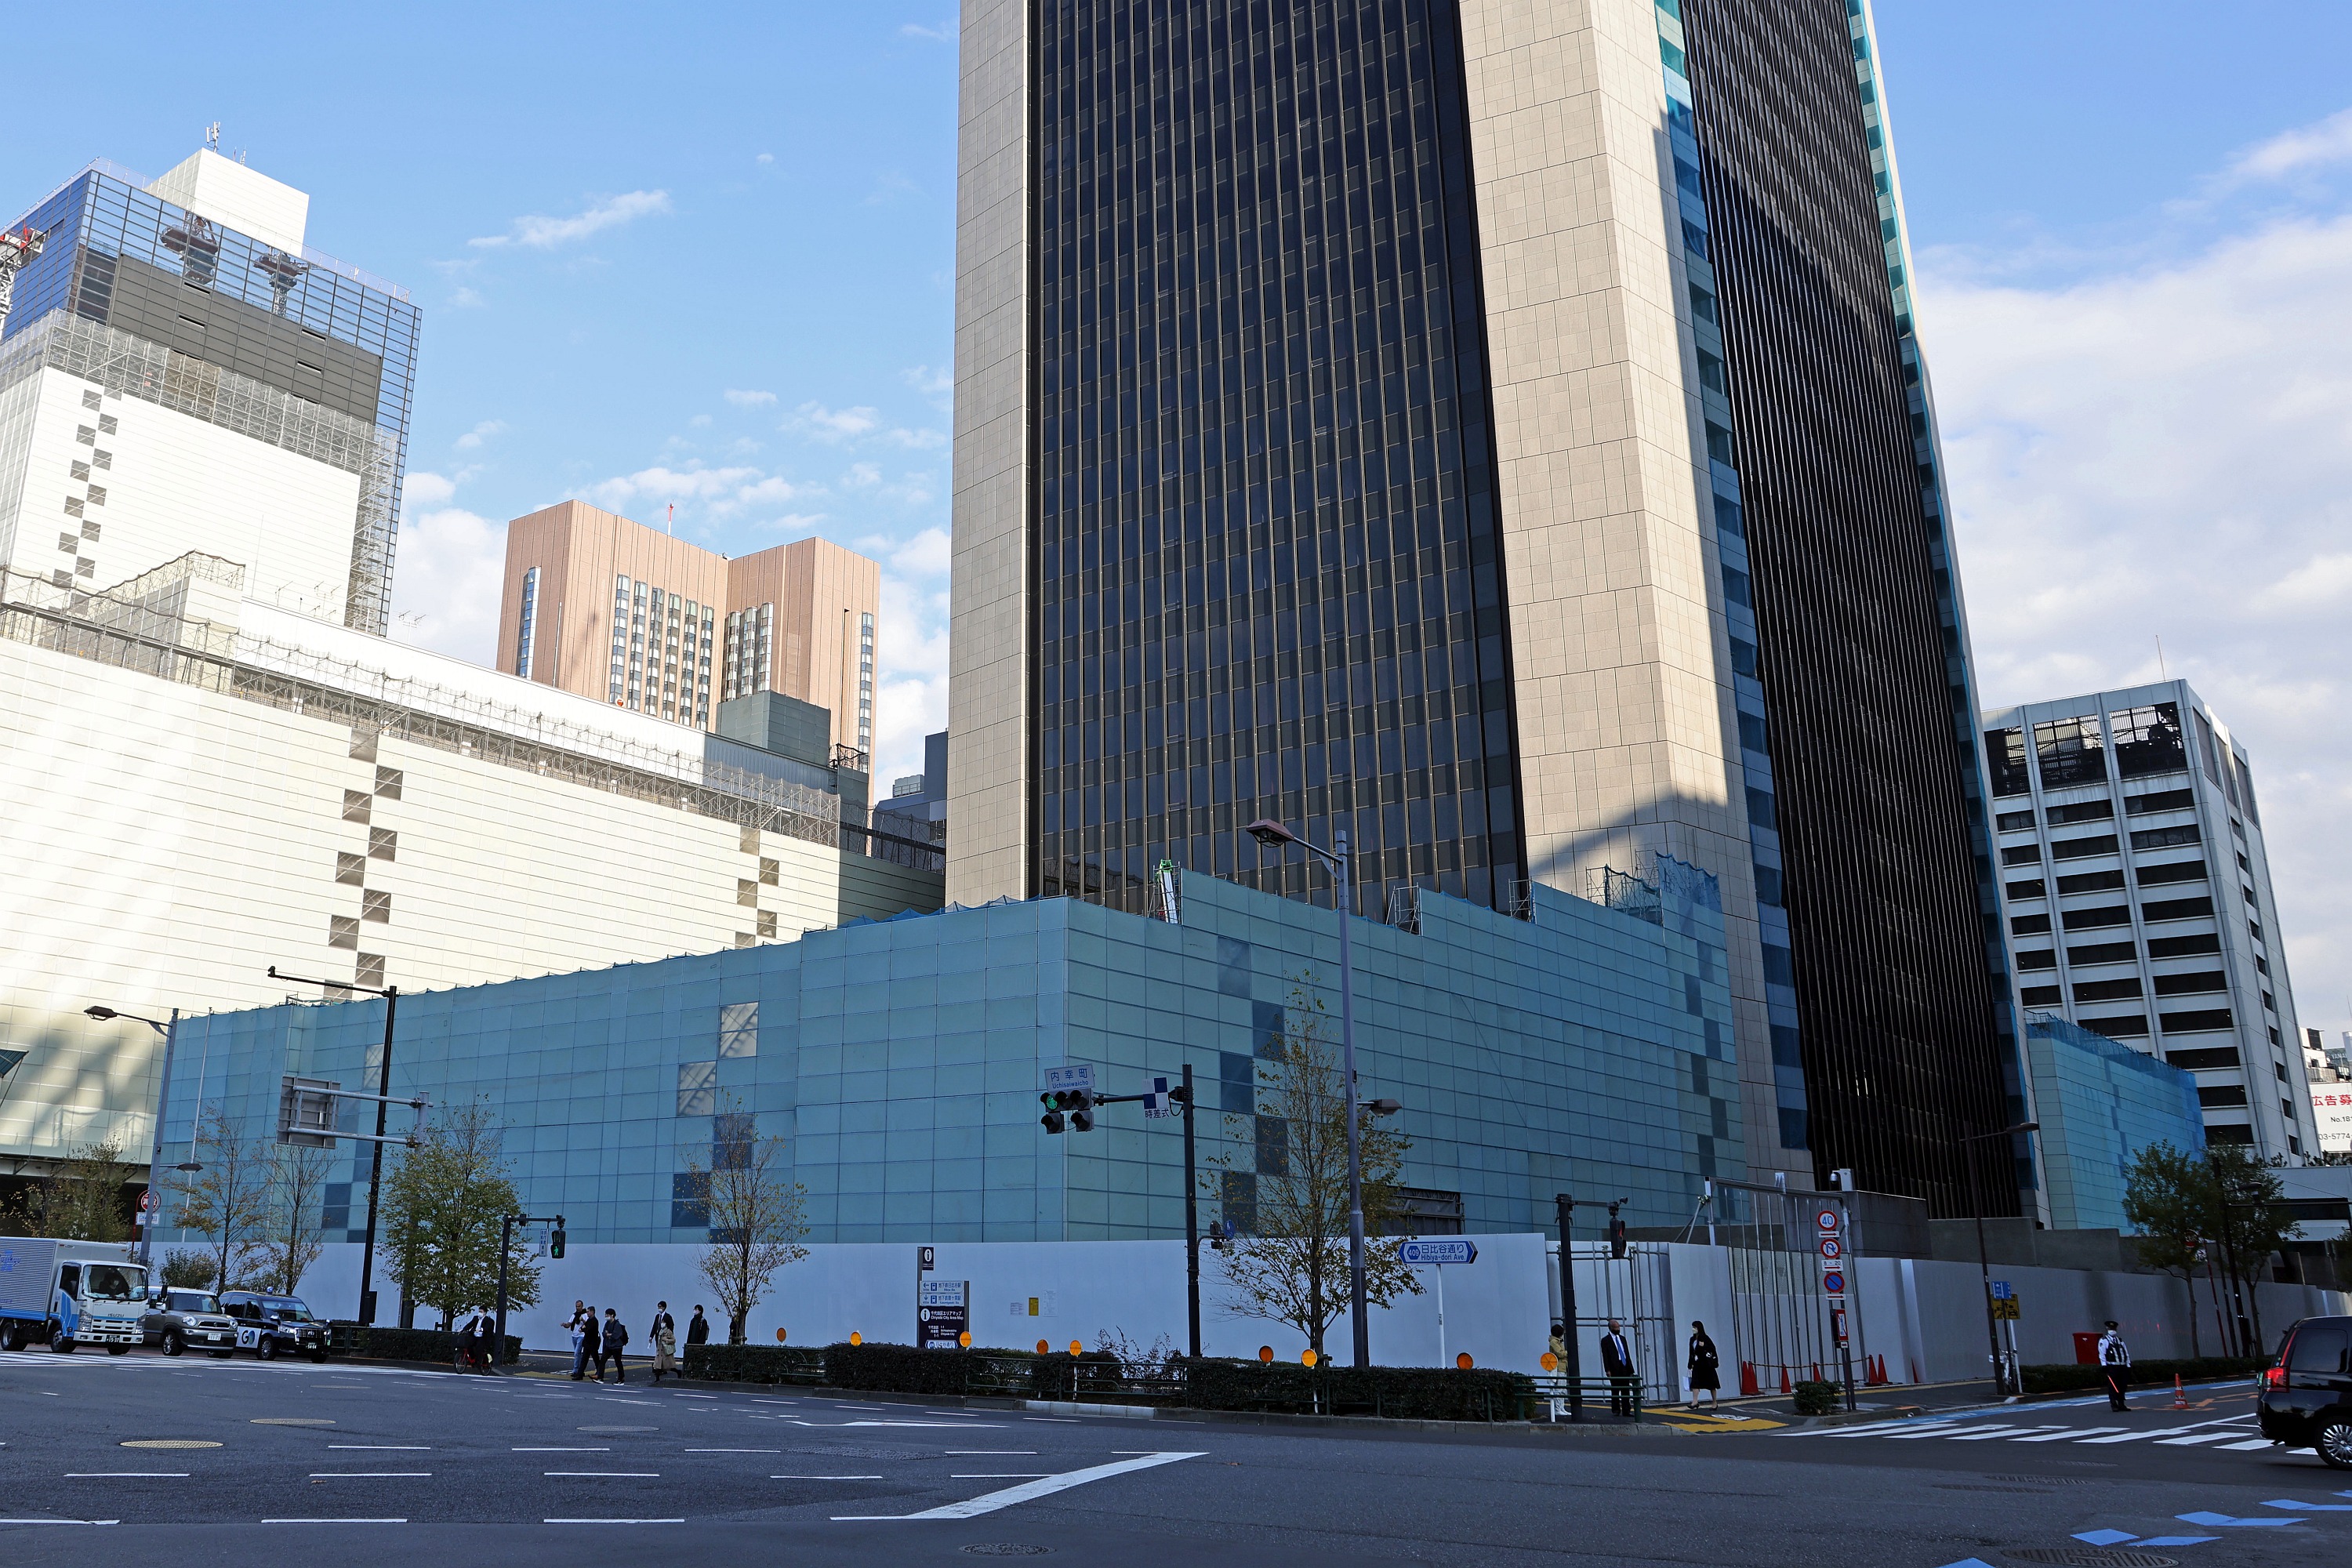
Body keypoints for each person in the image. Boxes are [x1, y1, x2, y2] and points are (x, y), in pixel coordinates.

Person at [1600, 1317, 1639, 1417]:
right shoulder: (1605, 1340)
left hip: (1624, 1365)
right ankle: (1616, 1409)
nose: (1618, 1329)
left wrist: (1631, 1369)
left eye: (1618, 1327)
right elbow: (1605, 1356)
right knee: (1615, 1389)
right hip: (1614, 1367)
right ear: (1611, 1328)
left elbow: (1627, 1354)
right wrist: (1607, 1369)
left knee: (1626, 1389)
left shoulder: (1622, 1339)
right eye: (1616, 1328)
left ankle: (1627, 1410)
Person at [2097, 1319, 2132, 1411]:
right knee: (2113, 1386)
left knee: (2123, 1385)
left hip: (2122, 1366)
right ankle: (2114, 1404)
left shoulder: (2120, 1341)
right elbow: (2102, 1354)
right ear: (2107, 1329)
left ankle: (2121, 1404)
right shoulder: (2104, 1341)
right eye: (2110, 1328)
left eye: (2113, 1328)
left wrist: (2128, 1365)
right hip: (2112, 1366)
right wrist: (2104, 1365)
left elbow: (2126, 1353)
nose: (2112, 1330)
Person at [1686, 1319, 1721, 1410]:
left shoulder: (1705, 1338)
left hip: (1706, 1365)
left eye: (1695, 1327)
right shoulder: (1692, 1339)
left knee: (1711, 1384)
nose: (1693, 1329)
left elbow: (1712, 1348)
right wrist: (1690, 1364)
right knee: (1695, 1383)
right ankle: (1695, 1402)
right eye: (1693, 1327)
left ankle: (1714, 1402)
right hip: (1697, 1364)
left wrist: (1704, 1345)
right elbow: (1691, 1353)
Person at [651, 1301, 677, 1382]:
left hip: (664, 1341)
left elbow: (672, 1326)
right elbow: (654, 1327)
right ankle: (658, 1373)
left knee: (664, 1358)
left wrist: (668, 1336)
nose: (659, 1308)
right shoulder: (657, 1316)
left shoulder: (668, 1317)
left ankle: (664, 1370)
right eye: (658, 1307)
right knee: (659, 1357)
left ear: (664, 1307)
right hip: (658, 1339)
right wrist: (651, 1336)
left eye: (661, 1307)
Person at [602, 1307, 630, 1384]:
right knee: (603, 1360)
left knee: (618, 1362)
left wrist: (608, 1334)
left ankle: (621, 1378)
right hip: (609, 1346)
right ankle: (600, 1377)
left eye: (607, 1315)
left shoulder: (617, 1324)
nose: (606, 1316)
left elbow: (615, 1336)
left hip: (617, 1347)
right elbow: (604, 1333)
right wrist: (608, 1334)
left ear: (612, 1315)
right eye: (606, 1314)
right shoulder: (607, 1323)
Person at [568, 1301, 591, 1381]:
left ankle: (576, 1370)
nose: (578, 1308)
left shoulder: (585, 1315)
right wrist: (564, 1325)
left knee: (577, 1353)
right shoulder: (574, 1315)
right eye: (576, 1306)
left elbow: (588, 1324)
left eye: (579, 1306)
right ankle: (581, 1370)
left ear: (582, 1306)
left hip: (581, 1335)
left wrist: (583, 1320)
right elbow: (569, 1324)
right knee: (578, 1354)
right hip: (574, 1335)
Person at [581, 1304, 604, 1381]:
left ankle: (599, 1373)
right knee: (585, 1359)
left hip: (592, 1344)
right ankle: (580, 1374)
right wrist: (583, 1328)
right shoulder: (590, 1320)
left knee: (595, 1359)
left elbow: (588, 1330)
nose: (587, 1313)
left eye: (588, 1312)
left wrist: (583, 1329)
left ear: (592, 1312)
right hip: (588, 1343)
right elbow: (586, 1327)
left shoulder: (594, 1321)